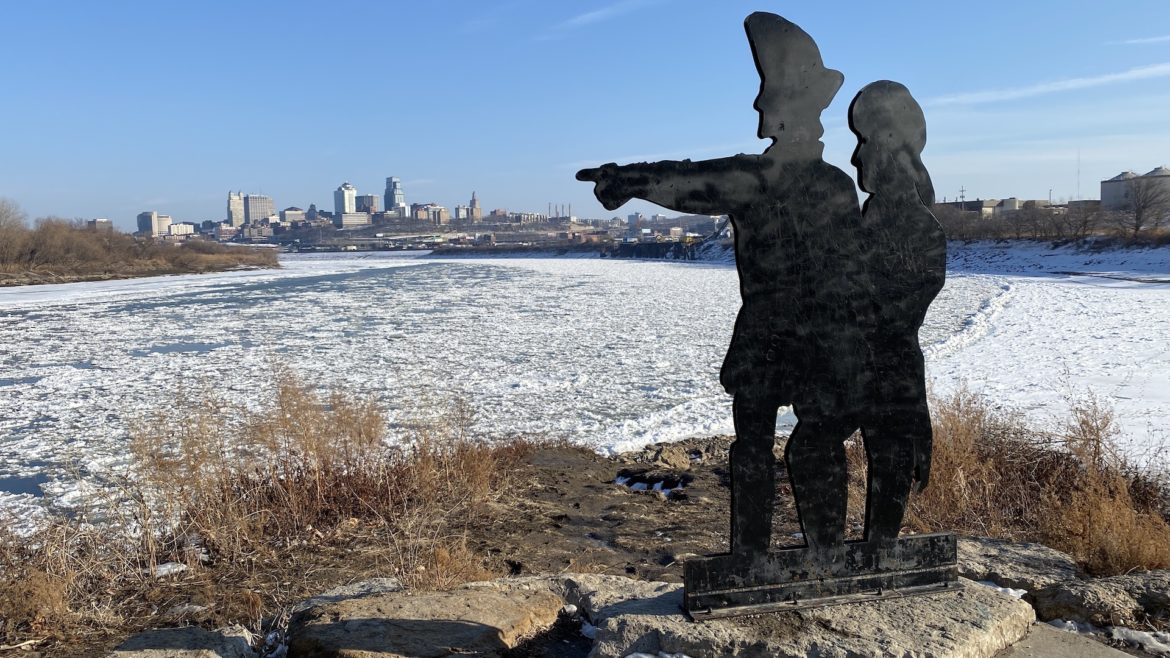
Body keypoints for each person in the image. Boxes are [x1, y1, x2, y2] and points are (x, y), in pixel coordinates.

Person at [578, 12, 871, 560]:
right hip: (824, 335)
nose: (759, 109)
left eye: (767, 100)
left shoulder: (761, 178)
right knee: (814, 445)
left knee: (758, 445)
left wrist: (625, 181)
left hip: (772, 331)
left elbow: (689, 183)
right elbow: (691, 180)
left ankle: (755, 555)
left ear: (781, 114)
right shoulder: (833, 185)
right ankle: (824, 550)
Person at [848, 81, 947, 546]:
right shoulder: (875, 220)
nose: (855, 159)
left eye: (863, 143)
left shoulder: (913, 228)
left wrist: (917, 415)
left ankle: (878, 552)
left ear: (889, 147)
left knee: (888, 460)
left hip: (881, 371)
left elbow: (895, 328)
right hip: (873, 367)